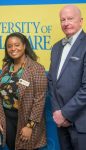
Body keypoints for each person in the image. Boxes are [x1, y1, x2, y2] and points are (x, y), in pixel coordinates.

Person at [0, 32, 47, 150]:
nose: (13, 48)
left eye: (17, 45)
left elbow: (39, 100)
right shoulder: (7, 67)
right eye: (9, 46)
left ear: (24, 46)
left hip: (26, 120)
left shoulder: (36, 68)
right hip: (7, 119)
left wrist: (30, 126)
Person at [48, 5, 86, 150]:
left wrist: (65, 113)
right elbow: (52, 82)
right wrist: (58, 112)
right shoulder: (56, 47)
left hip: (81, 122)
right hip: (60, 121)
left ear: (81, 21)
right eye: (62, 19)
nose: (66, 23)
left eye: (70, 18)